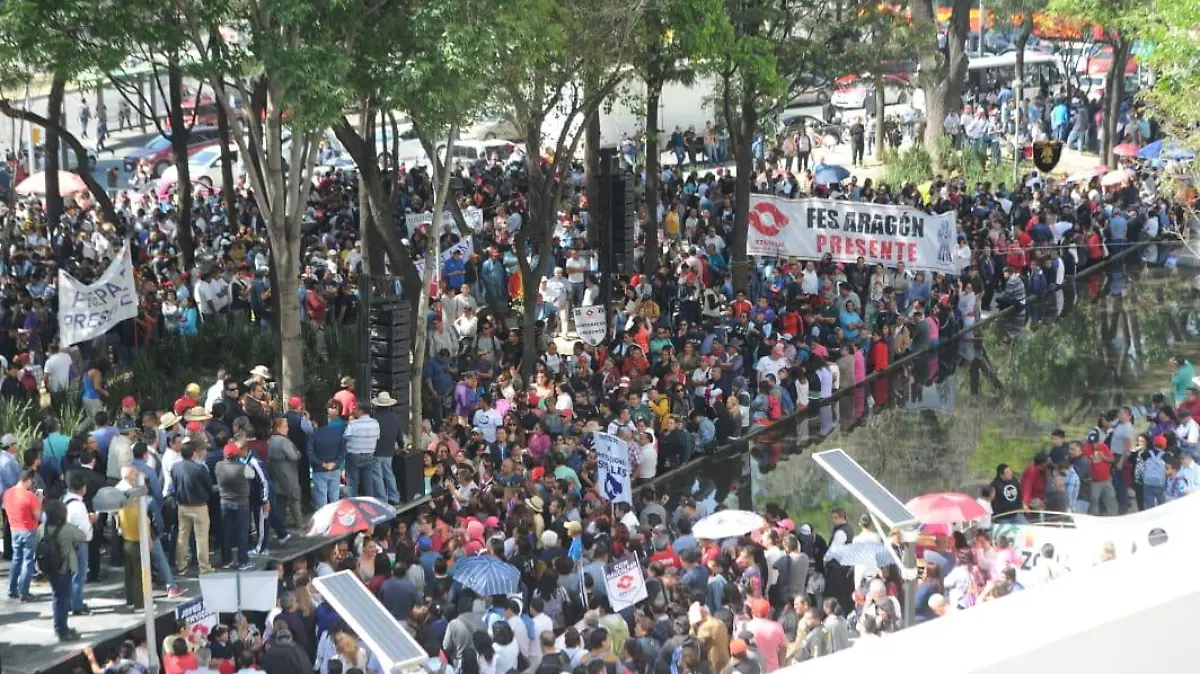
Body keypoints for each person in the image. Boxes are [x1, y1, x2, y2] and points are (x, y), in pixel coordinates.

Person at [4, 469, 42, 601]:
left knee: (16, 558)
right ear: (28, 480)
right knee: (28, 560)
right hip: (28, 529)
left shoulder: (8, 493)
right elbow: (38, 516)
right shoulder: (29, 496)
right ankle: (23, 591)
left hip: (14, 528)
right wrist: (39, 501)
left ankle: (12, 588)